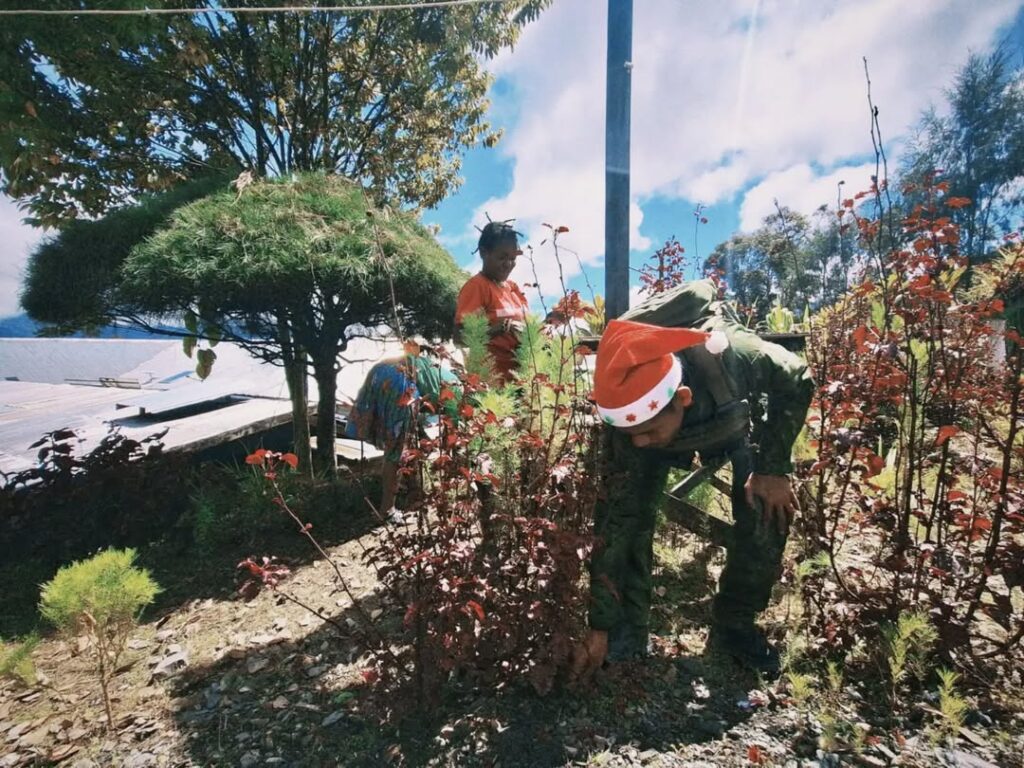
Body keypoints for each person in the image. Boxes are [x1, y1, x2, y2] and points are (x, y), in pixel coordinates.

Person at [571, 279, 814, 678]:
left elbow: (798, 377)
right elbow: (615, 527)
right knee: (629, 516)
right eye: (633, 435)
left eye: (649, 431)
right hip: (670, 420)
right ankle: (625, 633)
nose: (642, 441)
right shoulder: (631, 427)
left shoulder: (737, 355)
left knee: (767, 508)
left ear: (681, 398)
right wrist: (599, 624)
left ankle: (735, 624)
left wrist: (772, 468)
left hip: (731, 417)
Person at [342, 339, 460, 520]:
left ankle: (408, 495)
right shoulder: (458, 390)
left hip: (379, 372)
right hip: (402, 381)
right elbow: (452, 438)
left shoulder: (437, 371)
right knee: (396, 451)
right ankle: (387, 510)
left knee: (398, 446)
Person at [455, 221, 529, 383]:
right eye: (502, 257)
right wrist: (501, 328)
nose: (508, 264)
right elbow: (459, 336)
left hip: (522, 380)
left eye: (512, 258)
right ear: (484, 253)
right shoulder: (477, 286)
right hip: (491, 382)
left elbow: (528, 327)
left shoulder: (513, 288)